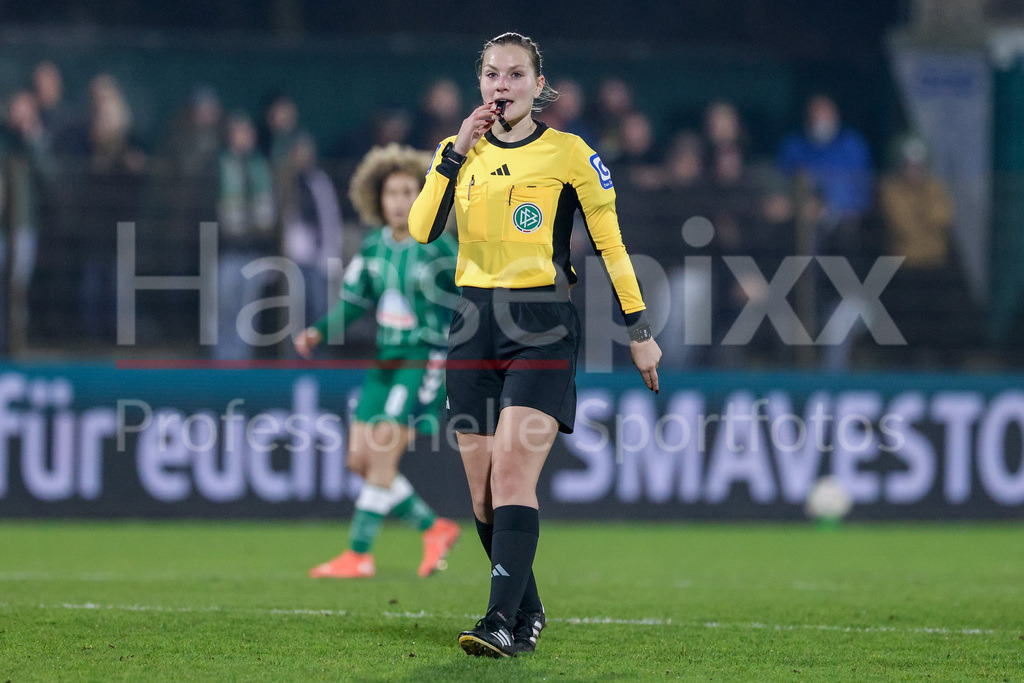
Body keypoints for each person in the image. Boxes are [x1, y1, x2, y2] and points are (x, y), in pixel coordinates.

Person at [408, 32, 661, 658]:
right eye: (492, 74)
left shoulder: (570, 154)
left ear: (537, 85)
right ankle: (529, 608)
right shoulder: (455, 150)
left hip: (541, 323)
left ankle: (498, 619)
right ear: (480, 84)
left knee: (515, 468)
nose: (502, 85)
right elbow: (420, 230)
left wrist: (640, 331)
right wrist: (454, 154)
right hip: (472, 322)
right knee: (481, 489)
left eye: (515, 75)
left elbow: (611, 244)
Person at [295, 143, 461, 579]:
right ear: (378, 199)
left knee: (384, 453)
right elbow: (352, 304)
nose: (400, 202)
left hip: (422, 358)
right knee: (359, 460)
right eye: (392, 194)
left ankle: (359, 553)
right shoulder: (372, 249)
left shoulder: (439, 246)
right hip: (385, 361)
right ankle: (434, 526)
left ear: (423, 197)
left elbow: (472, 292)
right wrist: (318, 330)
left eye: (409, 192)